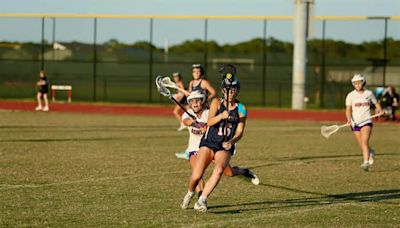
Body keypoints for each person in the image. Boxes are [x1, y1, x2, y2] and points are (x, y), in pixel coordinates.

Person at [181, 64, 250, 212]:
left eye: (233, 90)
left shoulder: (241, 109)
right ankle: (190, 193)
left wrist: (231, 141)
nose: (230, 92)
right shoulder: (216, 103)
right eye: (228, 89)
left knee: (219, 170)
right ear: (223, 90)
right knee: (197, 175)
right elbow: (210, 121)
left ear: (237, 90)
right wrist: (221, 116)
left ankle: (202, 200)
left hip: (224, 145)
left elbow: (240, 132)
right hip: (209, 142)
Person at [179, 90, 259, 202]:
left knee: (229, 173)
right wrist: (194, 123)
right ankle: (197, 196)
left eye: (198, 101)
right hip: (195, 148)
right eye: (192, 102)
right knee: (197, 175)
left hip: (214, 144)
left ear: (203, 101)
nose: (195, 104)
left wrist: (207, 126)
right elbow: (186, 121)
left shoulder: (209, 112)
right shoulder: (188, 113)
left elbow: (211, 122)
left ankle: (244, 172)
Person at [345, 74, 384, 172]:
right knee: (362, 144)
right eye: (355, 83)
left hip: (366, 121)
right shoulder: (350, 95)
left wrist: (380, 110)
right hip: (355, 123)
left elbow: (376, 103)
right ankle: (370, 152)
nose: (357, 85)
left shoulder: (369, 93)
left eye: (359, 82)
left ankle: (366, 162)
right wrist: (349, 119)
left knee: (364, 141)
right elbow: (348, 109)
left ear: (363, 82)